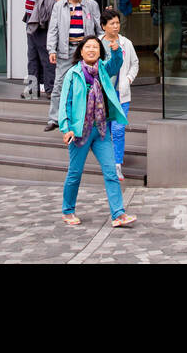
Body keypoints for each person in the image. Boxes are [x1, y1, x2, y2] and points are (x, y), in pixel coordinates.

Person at [58, 34, 136, 228]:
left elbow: (116, 63)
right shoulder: (73, 74)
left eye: (95, 47)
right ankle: (68, 211)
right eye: (88, 47)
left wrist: (116, 49)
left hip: (100, 130)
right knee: (75, 173)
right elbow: (64, 103)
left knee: (111, 172)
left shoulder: (103, 70)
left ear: (100, 52)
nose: (92, 50)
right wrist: (65, 128)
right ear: (81, 51)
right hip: (79, 132)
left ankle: (118, 214)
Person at [44, 0, 103, 130]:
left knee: (89, 83)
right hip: (65, 49)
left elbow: (99, 29)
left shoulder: (91, 5)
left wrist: (100, 49)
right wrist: (51, 49)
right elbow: (53, 30)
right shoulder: (59, 6)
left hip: (86, 50)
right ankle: (54, 118)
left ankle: (88, 116)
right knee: (59, 84)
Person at [99, 7, 138, 180]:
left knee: (118, 128)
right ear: (103, 26)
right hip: (103, 95)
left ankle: (117, 164)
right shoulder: (97, 44)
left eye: (117, 23)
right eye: (112, 23)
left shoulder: (126, 43)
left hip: (121, 93)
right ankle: (108, 163)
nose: (116, 26)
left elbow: (134, 64)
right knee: (105, 130)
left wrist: (128, 79)